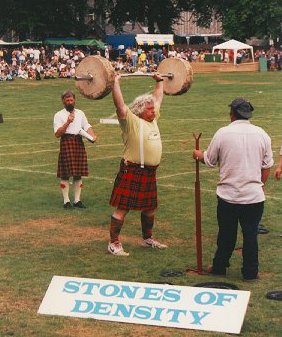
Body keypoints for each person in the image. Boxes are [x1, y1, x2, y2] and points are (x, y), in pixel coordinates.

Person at [193, 98, 273, 281]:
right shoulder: (262, 134)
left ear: (232, 115)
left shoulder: (223, 133)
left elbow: (210, 160)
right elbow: (266, 165)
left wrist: (198, 155)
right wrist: (260, 185)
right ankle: (250, 272)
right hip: (253, 197)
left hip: (228, 196)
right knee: (251, 234)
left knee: (227, 233)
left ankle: (220, 267)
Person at [108, 73, 168, 256]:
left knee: (150, 208)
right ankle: (114, 243)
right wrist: (115, 83)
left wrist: (159, 81)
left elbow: (158, 98)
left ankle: (147, 238)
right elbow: (120, 105)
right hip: (133, 170)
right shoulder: (131, 122)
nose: (154, 111)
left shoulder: (153, 119)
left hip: (149, 172)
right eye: (150, 109)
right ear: (141, 110)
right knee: (122, 208)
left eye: (153, 109)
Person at [53, 90, 97, 209]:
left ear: (75, 100)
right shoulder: (58, 115)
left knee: (78, 173)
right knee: (65, 173)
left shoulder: (80, 113)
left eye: (71, 100)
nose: (69, 102)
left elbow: (87, 126)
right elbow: (57, 134)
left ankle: (77, 201)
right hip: (66, 142)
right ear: (63, 101)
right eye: (67, 100)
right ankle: (66, 201)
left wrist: (92, 135)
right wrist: (68, 122)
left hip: (78, 142)